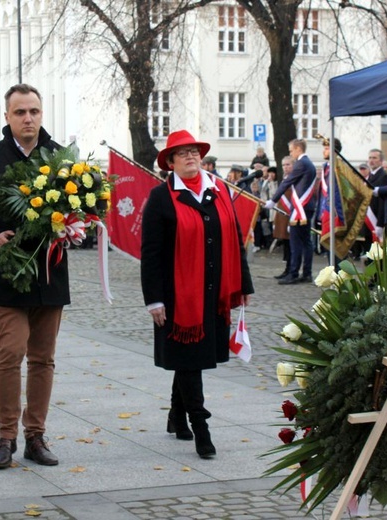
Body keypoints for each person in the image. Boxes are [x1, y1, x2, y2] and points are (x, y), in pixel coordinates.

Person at [0, 84, 66, 469]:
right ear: (7, 116)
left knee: (43, 358)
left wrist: (74, 227)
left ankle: (35, 436)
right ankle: (5, 437)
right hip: (9, 271)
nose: (28, 118)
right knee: (9, 353)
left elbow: (79, 210)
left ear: (42, 114)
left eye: (34, 111)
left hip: (51, 272)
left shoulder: (59, 157)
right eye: (20, 112)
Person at [140, 129, 254, 459]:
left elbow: (235, 236)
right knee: (189, 359)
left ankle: (177, 415)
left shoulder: (218, 190)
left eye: (195, 151)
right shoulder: (161, 198)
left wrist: (243, 285)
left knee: (192, 360)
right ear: (171, 162)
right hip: (178, 295)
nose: (191, 157)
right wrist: (155, 299)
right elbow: (151, 253)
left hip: (214, 291)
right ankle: (200, 426)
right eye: (183, 153)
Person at [266, 139, 317, 284]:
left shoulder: (301, 163)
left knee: (296, 241)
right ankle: (306, 273)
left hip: (301, 208)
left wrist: (273, 200)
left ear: (298, 149)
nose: (291, 153)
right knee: (306, 242)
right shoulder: (309, 163)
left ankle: (294, 273)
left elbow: (288, 182)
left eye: (291, 150)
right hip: (307, 206)